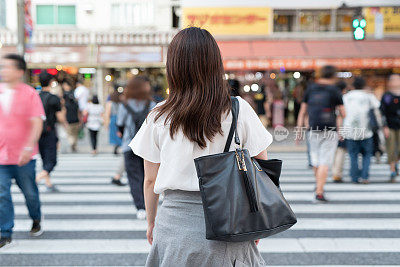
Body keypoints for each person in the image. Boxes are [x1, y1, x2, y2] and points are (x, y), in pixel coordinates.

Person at [130, 27, 272, 266]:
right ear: (215, 64)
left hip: (175, 225)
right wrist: (256, 218)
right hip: (230, 221)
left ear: (173, 67)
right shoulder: (238, 109)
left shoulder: (158, 115)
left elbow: (150, 181)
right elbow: (262, 167)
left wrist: (152, 223)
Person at [0, 54, 45, 248]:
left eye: (7, 67)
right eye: (2, 67)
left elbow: (36, 122)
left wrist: (28, 147)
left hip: (24, 156)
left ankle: (35, 218)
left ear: (19, 71)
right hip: (2, 155)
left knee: (30, 194)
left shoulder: (29, 93)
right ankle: (5, 231)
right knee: (2, 194)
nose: (3, 70)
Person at [297, 65, 346, 202]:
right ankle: (319, 191)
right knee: (325, 161)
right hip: (330, 130)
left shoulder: (311, 88)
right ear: (333, 75)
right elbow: (343, 113)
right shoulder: (335, 90)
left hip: (313, 129)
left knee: (316, 160)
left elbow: (302, 111)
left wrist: (299, 130)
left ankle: (318, 184)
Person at [117, 76, 156, 220]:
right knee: (149, 177)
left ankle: (140, 207)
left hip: (129, 145)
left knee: (134, 177)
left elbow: (120, 124)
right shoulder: (151, 104)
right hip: (148, 146)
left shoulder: (124, 104)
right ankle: (149, 206)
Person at [343, 77, 380, 184]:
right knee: (367, 155)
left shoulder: (346, 97)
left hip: (350, 131)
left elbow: (340, 111)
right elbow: (378, 105)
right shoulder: (368, 96)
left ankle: (354, 177)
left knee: (353, 155)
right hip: (366, 130)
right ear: (364, 85)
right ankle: (365, 176)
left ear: (353, 86)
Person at [36, 72, 68, 192]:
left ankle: (48, 183)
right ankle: (38, 178)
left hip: (38, 132)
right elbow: (60, 117)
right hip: (50, 131)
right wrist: (63, 107)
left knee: (44, 158)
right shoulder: (53, 98)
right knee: (52, 160)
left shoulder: (36, 96)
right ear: (51, 82)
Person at [381, 74, 400, 182]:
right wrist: (385, 126)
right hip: (390, 126)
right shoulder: (387, 96)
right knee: (391, 149)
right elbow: (382, 112)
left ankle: (396, 163)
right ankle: (392, 170)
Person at [332, 80, 348, 183]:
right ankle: (337, 173)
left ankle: (334, 171)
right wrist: (340, 130)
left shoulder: (330, 96)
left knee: (333, 151)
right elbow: (340, 116)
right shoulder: (341, 98)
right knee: (340, 151)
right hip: (338, 127)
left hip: (328, 127)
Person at [62, 80, 81, 152]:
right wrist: (80, 120)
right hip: (75, 120)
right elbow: (79, 112)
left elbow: (64, 113)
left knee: (70, 134)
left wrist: (64, 121)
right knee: (75, 134)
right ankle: (74, 145)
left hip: (69, 120)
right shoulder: (76, 104)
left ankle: (72, 143)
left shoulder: (66, 105)